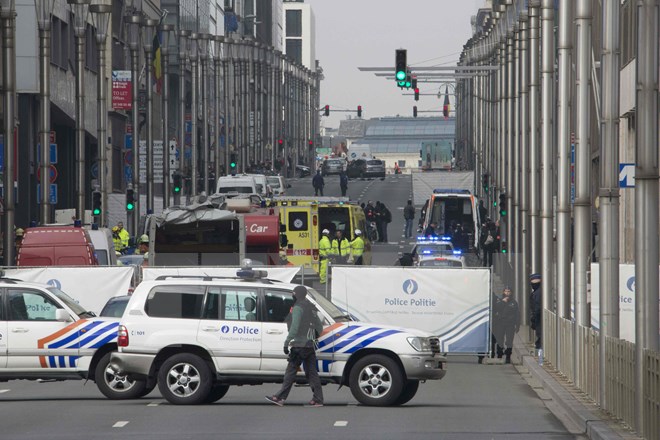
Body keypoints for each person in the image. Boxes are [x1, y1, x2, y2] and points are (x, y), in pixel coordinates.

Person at [266, 285, 324, 407]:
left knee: (290, 371)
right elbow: (319, 327)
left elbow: (294, 327)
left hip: (298, 345)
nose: (292, 295)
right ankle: (318, 399)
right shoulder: (311, 307)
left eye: (293, 293)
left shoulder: (298, 308)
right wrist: (312, 338)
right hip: (309, 345)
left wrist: (287, 342)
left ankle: (280, 397)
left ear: (296, 294)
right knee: (312, 373)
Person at [495, 287, 520, 363]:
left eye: (509, 291)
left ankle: (508, 356)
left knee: (509, 340)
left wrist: (517, 325)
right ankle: (499, 355)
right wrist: (503, 302)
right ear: (503, 292)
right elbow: (496, 309)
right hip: (500, 323)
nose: (507, 293)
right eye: (506, 291)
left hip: (510, 324)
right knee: (500, 339)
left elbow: (517, 314)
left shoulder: (514, 302)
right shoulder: (499, 300)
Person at [529, 273, 543, 350]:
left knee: (540, 337)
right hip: (538, 317)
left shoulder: (537, 293)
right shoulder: (538, 292)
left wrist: (533, 318)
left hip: (539, 318)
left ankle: (540, 359)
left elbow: (537, 307)